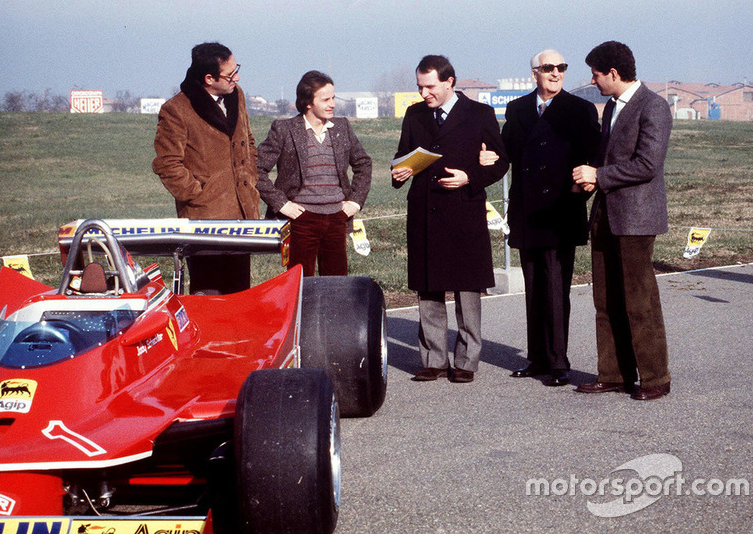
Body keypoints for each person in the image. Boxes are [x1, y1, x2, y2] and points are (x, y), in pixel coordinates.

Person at [481, 50, 600, 387]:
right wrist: (486, 160)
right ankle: (537, 358)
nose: (556, 73)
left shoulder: (580, 109)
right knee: (533, 285)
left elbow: (593, 155)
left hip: (560, 210)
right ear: (534, 72)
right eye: (548, 68)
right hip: (527, 209)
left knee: (556, 286)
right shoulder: (517, 109)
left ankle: (559, 361)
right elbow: (506, 155)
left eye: (561, 68)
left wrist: (582, 191)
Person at [392, 55, 509, 383]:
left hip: (464, 211)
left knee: (467, 290)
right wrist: (399, 173)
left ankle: (466, 361)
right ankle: (432, 359)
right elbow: (402, 157)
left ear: (449, 82)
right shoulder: (414, 114)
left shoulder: (479, 114)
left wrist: (469, 177)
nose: (424, 93)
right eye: (419, 86)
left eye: (429, 86)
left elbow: (500, 163)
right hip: (424, 214)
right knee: (428, 288)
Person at [572, 41, 673, 401]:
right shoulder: (611, 107)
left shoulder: (654, 107)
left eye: (596, 75)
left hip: (637, 219)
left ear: (613, 74)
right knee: (605, 300)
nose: (594, 81)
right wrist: (587, 180)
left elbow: (648, 165)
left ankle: (655, 377)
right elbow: (608, 159)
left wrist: (599, 175)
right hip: (606, 216)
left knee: (639, 301)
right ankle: (613, 374)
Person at [153, 42, 260, 294]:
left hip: (242, 218)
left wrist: (250, 174)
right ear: (209, 78)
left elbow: (248, 140)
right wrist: (197, 194)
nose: (237, 77)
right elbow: (167, 164)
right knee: (208, 295)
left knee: (240, 295)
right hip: (204, 223)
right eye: (230, 74)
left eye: (237, 70)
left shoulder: (237, 95)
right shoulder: (176, 110)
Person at [256, 71, 372, 276]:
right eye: (325, 99)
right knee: (301, 283)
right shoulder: (284, 129)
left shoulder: (342, 127)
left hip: (337, 217)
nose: (333, 104)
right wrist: (282, 204)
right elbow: (255, 170)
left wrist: (355, 202)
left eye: (333, 98)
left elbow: (363, 163)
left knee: (336, 284)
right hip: (300, 219)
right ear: (308, 102)